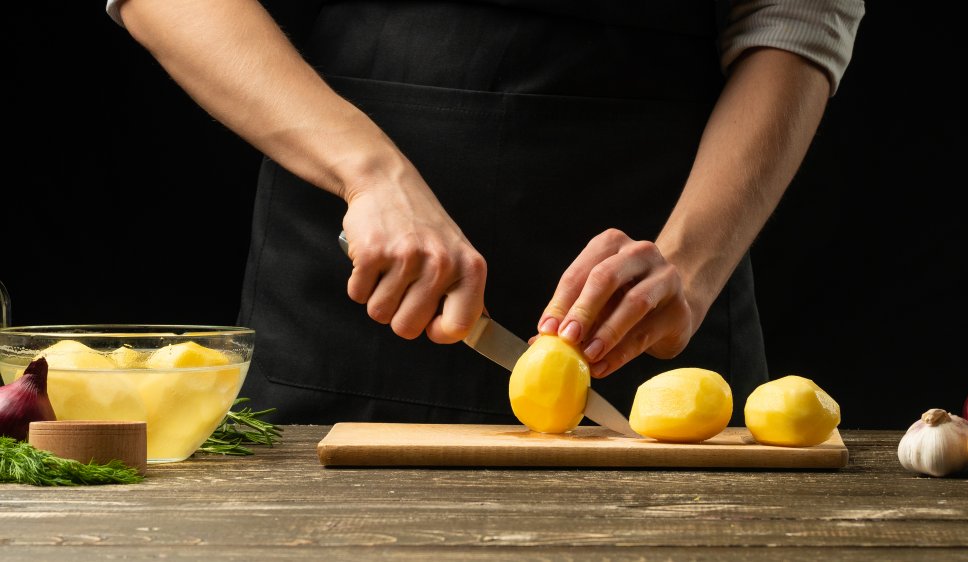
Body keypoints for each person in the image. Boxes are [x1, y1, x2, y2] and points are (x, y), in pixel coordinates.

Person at [106, 0, 864, 425]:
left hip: (662, 301)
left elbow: (796, 17)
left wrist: (692, 263)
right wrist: (368, 173)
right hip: (339, 318)